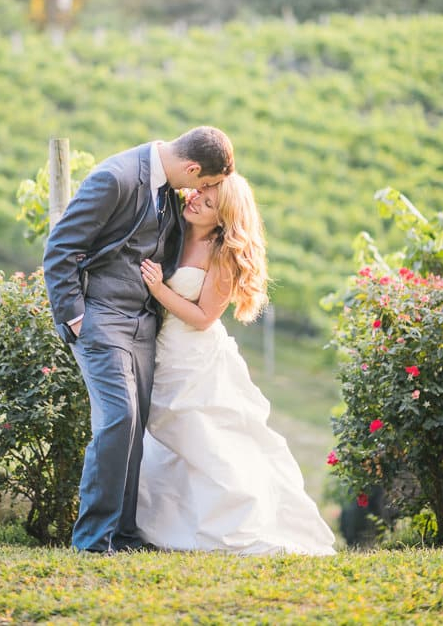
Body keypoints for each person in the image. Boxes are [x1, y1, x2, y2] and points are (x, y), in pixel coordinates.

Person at [43, 126, 234, 554]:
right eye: (202, 184)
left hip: (143, 325)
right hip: (100, 319)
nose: (198, 193)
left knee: (135, 428)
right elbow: (61, 247)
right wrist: (75, 318)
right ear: (191, 168)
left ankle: (124, 535)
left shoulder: (168, 189)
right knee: (118, 419)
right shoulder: (117, 177)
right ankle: (93, 540)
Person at [137, 174, 336, 556]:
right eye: (200, 194)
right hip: (162, 350)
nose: (195, 202)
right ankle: (163, 523)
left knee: (203, 439)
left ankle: (235, 519)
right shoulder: (177, 220)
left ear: (223, 218)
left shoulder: (223, 253)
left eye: (208, 204)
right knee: (167, 444)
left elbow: (204, 316)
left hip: (193, 358)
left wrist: (159, 290)